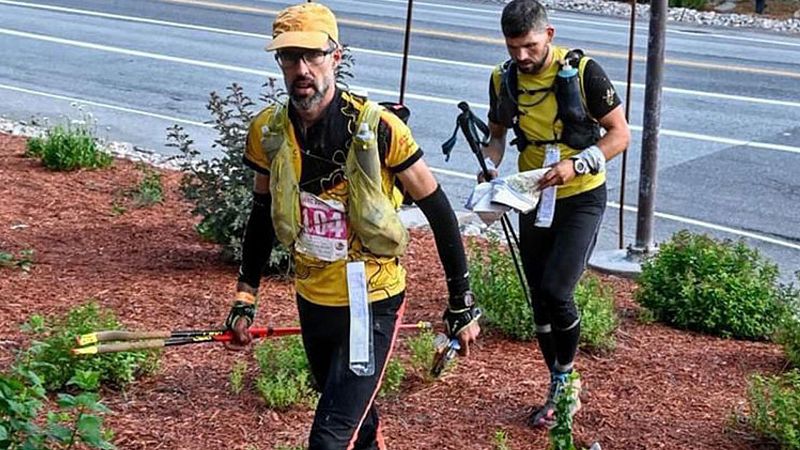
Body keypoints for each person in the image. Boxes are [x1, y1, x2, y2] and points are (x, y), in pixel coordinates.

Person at [222, 3, 481, 449]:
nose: (302, 69)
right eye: (289, 57)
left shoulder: (379, 129)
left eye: (313, 56)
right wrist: (246, 297)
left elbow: (438, 208)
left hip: (371, 301)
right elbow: (262, 214)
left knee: (328, 439)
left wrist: (461, 301)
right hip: (313, 295)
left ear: (335, 57)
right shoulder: (268, 132)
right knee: (352, 417)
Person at [480, 0, 630, 429]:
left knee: (558, 290)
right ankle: (558, 381)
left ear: (549, 34)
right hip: (533, 196)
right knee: (539, 301)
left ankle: (567, 381)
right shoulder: (502, 78)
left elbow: (620, 135)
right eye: (513, 47)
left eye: (529, 45)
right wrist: (490, 166)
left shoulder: (584, 73)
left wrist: (577, 163)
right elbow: (496, 139)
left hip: (581, 195)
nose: (521, 57)